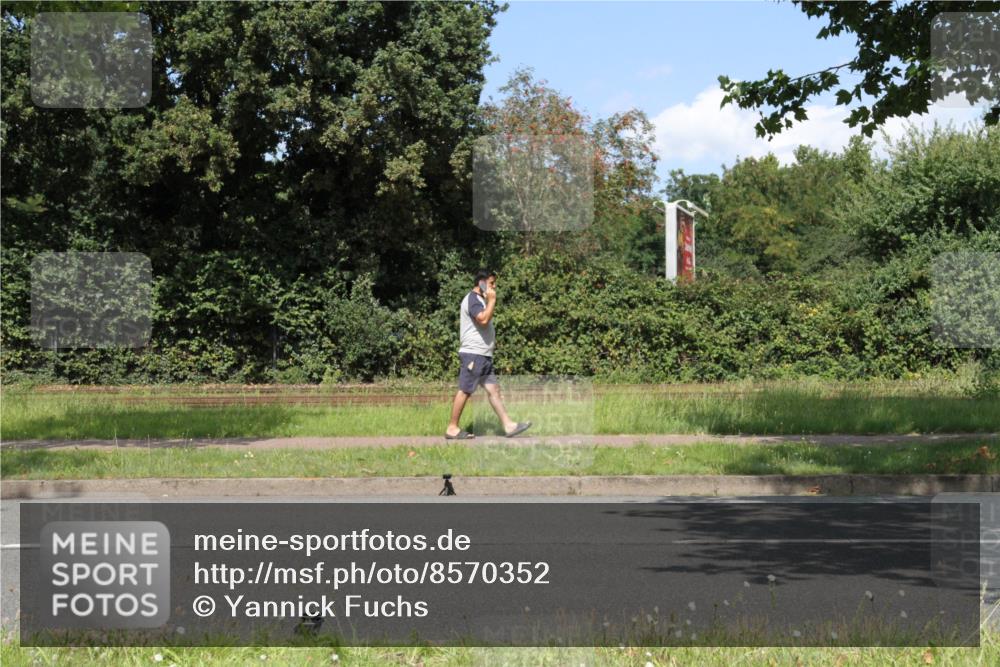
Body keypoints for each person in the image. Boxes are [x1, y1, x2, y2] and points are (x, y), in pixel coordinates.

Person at [444, 269, 531, 440]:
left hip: (483, 356)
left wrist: (489, 300)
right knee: (465, 390)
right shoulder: (473, 299)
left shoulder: (480, 300)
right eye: (492, 283)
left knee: (494, 390)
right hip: (474, 355)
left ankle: (509, 425)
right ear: (482, 283)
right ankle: (452, 428)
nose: (494, 286)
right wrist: (492, 300)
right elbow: (483, 320)